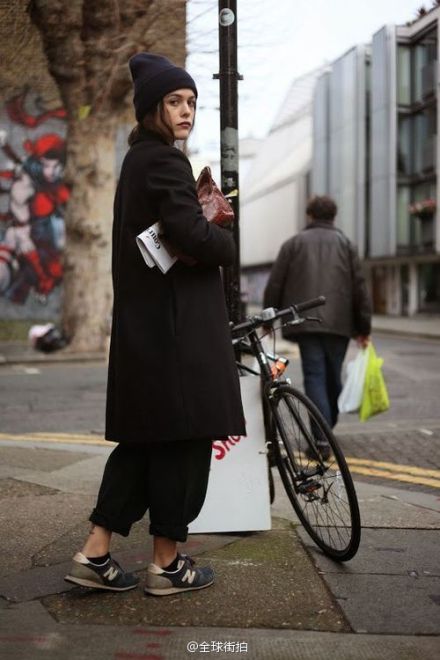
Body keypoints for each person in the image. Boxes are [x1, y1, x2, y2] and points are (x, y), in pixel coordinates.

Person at [64, 53, 245, 596]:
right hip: (177, 336)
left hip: (149, 333)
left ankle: (95, 553)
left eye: (191, 101)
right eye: (174, 101)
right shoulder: (165, 163)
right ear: (151, 109)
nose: (186, 110)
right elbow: (192, 237)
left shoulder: (137, 162)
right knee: (185, 443)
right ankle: (167, 564)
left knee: (144, 442)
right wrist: (224, 238)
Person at [263, 195, 371, 459]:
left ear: (310, 215)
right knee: (332, 378)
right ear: (333, 217)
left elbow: (276, 284)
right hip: (339, 324)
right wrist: (363, 327)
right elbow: (359, 288)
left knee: (316, 378)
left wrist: (268, 319)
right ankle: (325, 434)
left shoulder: (293, 244)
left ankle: (322, 438)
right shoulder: (347, 244)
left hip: (305, 322)